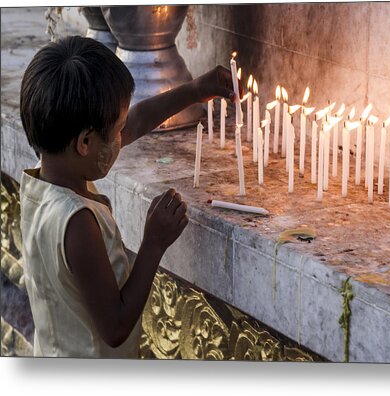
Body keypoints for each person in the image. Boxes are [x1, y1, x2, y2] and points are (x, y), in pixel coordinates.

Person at [19, 35, 240, 357]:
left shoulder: (48, 174)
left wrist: (194, 91)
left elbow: (132, 123)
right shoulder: (77, 222)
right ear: (85, 143)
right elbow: (115, 327)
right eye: (116, 130)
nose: (123, 137)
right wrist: (153, 243)